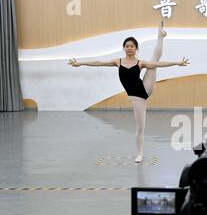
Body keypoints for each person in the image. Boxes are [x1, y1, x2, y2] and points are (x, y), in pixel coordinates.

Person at [69, 21, 190, 163]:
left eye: (132, 46)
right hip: (136, 97)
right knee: (140, 127)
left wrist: (177, 63)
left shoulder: (140, 63)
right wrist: (80, 63)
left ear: (136, 48)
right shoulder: (118, 62)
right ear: (124, 48)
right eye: (127, 46)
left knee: (154, 62)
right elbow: (98, 62)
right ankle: (139, 153)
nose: (129, 48)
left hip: (145, 89)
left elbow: (158, 64)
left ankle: (160, 37)